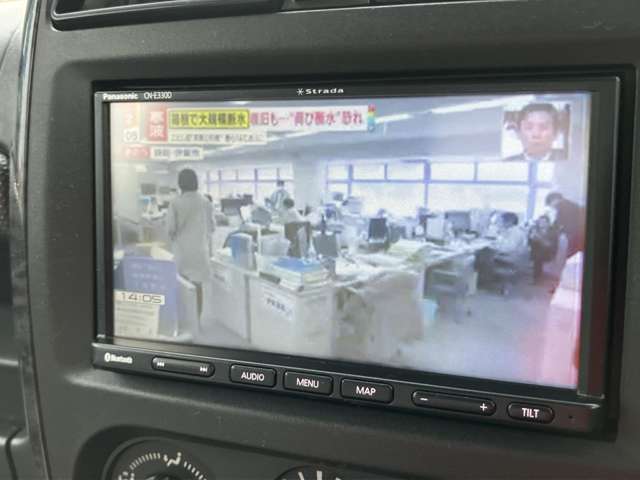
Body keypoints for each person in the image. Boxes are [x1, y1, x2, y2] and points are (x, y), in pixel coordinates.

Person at [166, 169, 214, 318]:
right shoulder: (205, 202)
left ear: (180, 183)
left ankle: (185, 319)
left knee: (183, 285)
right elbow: (212, 228)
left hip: (182, 251)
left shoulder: (175, 203)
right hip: (200, 250)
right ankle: (196, 319)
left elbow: (170, 229)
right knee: (197, 286)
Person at [545, 192, 585, 257]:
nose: (552, 207)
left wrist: (552, 231)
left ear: (554, 200)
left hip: (576, 235)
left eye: (550, 205)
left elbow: (559, 223)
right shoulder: (568, 204)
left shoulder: (562, 206)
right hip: (579, 234)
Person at [528, 215, 559, 283]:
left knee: (538, 255)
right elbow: (529, 243)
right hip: (536, 251)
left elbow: (550, 245)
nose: (541, 223)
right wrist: (531, 237)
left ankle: (536, 277)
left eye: (544, 222)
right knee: (537, 254)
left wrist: (539, 237)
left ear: (548, 223)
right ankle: (537, 276)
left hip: (548, 252)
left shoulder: (553, 232)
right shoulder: (535, 229)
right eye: (540, 222)